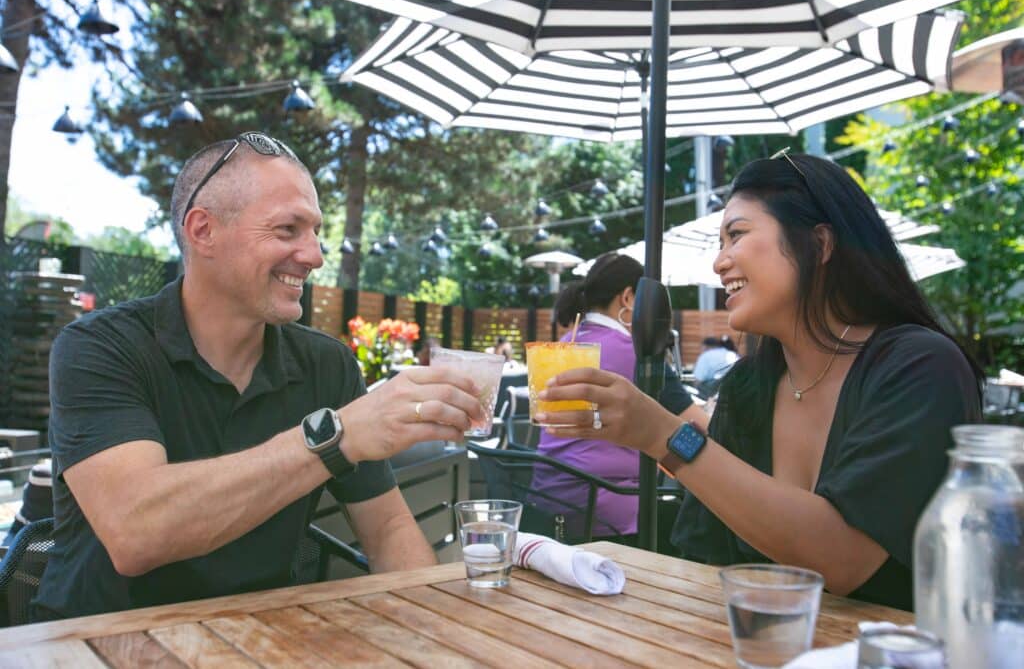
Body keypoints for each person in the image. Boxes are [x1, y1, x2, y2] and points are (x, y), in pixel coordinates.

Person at [34, 132, 483, 621]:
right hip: (97, 644)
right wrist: (337, 436)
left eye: (315, 232)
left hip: (262, 637)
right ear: (202, 230)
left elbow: (388, 529)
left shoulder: (325, 364)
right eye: (288, 229)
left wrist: (434, 631)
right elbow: (137, 532)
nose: (314, 256)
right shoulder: (100, 347)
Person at [536, 153, 982, 610]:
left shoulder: (920, 367)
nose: (718, 263)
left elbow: (844, 561)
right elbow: (706, 564)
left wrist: (661, 433)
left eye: (737, 235)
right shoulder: (749, 386)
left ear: (820, 244)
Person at [530, 252, 705, 541]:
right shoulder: (638, 356)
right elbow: (698, 429)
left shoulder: (563, 345)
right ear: (628, 298)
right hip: (608, 511)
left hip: (547, 504)